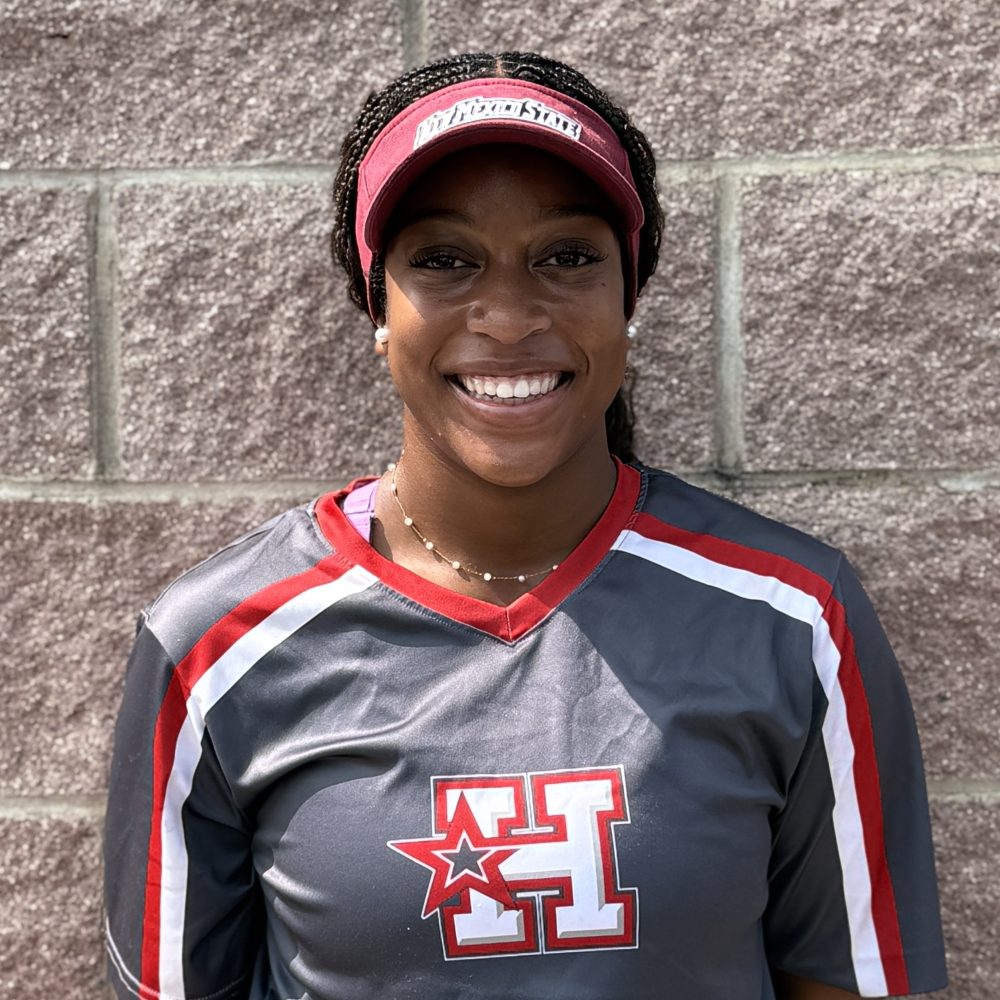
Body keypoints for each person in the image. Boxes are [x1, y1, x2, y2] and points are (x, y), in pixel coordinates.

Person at [103, 51, 947, 1000]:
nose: (507, 316)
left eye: (567, 256)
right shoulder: (216, 647)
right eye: (445, 259)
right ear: (377, 304)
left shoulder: (792, 617)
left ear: (629, 295)